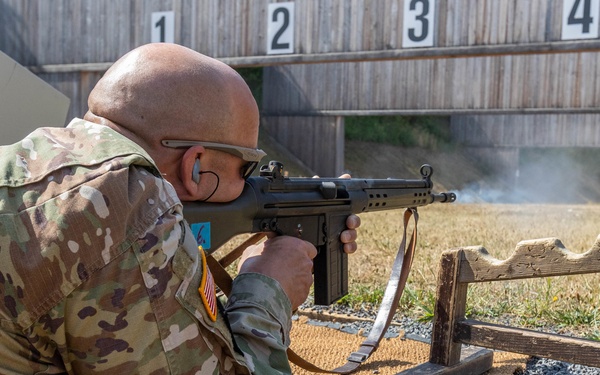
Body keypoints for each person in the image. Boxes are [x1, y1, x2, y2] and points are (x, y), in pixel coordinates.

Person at [0, 43, 360, 374]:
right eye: (247, 168)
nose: (251, 183)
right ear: (195, 166)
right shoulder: (129, 204)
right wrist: (268, 290)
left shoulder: (29, 159)